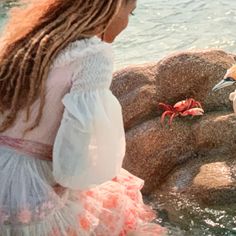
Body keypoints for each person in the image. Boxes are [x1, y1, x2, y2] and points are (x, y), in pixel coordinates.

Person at [0, 0, 165, 235]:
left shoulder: (26, 43)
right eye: (131, 13)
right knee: (116, 200)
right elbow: (79, 139)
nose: (127, 22)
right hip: (30, 188)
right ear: (113, 9)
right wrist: (72, 182)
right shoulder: (93, 55)